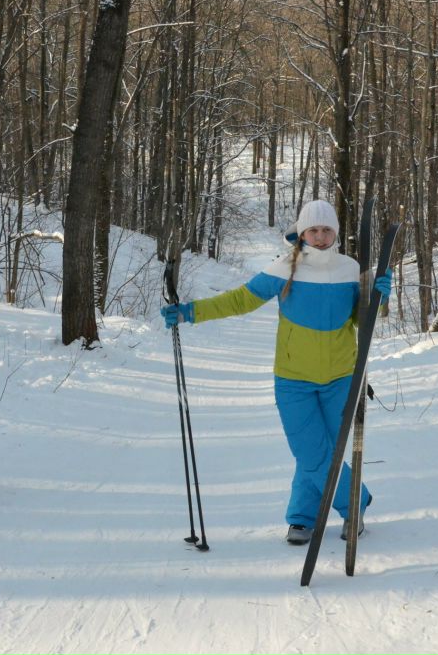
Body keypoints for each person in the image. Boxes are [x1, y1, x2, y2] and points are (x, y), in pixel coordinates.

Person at [160, 199, 390, 544]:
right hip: (293, 380)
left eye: (327, 230)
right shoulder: (285, 268)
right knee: (311, 452)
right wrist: (190, 312)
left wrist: (379, 299)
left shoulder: (350, 269)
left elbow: (361, 321)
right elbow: (241, 300)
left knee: (320, 452)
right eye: (314, 229)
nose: (321, 236)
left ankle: (301, 517)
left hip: (341, 378)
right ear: (302, 232)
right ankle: (354, 502)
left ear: (336, 233)